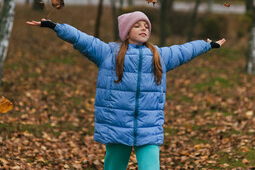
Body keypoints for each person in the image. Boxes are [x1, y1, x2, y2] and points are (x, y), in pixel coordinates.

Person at [26, 11, 226, 170]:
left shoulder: (159, 55)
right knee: (114, 167)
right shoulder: (109, 53)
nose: (143, 28)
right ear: (126, 31)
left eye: (146, 25)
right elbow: (82, 39)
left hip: (148, 127)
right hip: (117, 126)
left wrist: (207, 45)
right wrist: (55, 27)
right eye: (137, 25)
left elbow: (184, 50)